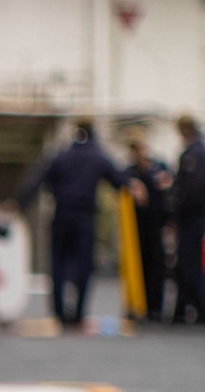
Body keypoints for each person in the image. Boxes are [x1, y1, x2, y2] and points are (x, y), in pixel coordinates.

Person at [18, 118, 134, 327]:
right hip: (85, 218)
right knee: (83, 266)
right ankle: (79, 312)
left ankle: (59, 313)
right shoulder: (97, 157)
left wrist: (18, 203)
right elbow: (119, 180)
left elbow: (37, 180)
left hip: (61, 214)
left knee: (58, 264)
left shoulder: (61, 156)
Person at [170, 114, 205, 325]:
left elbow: (192, 190)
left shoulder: (194, 154)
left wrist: (177, 211)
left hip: (191, 218)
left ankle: (196, 310)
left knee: (190, 265)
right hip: (194, 217)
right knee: (189, 265)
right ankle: (191, 309)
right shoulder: (199, 151)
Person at [125, 135, 173, 321]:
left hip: (156, 225)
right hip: (137, 227)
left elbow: (171, 185)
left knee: (157, 266)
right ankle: (138, 306)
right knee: (139, 266)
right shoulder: (130, 172)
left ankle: (156, 307)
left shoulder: (159, 168)